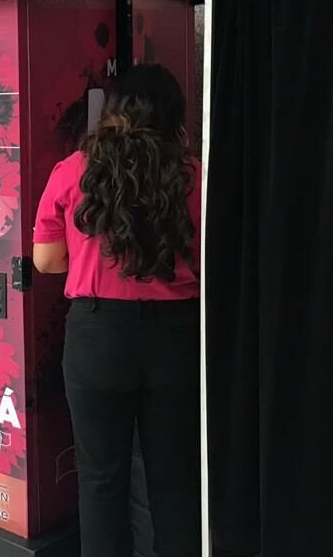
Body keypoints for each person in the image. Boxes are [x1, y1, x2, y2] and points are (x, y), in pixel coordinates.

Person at [32, 65, 201, 557]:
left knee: (101, 480)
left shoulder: (72, 170)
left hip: (98, 335)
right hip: (176, 336)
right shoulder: (195, 175)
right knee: (174, 479)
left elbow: (46, 261)